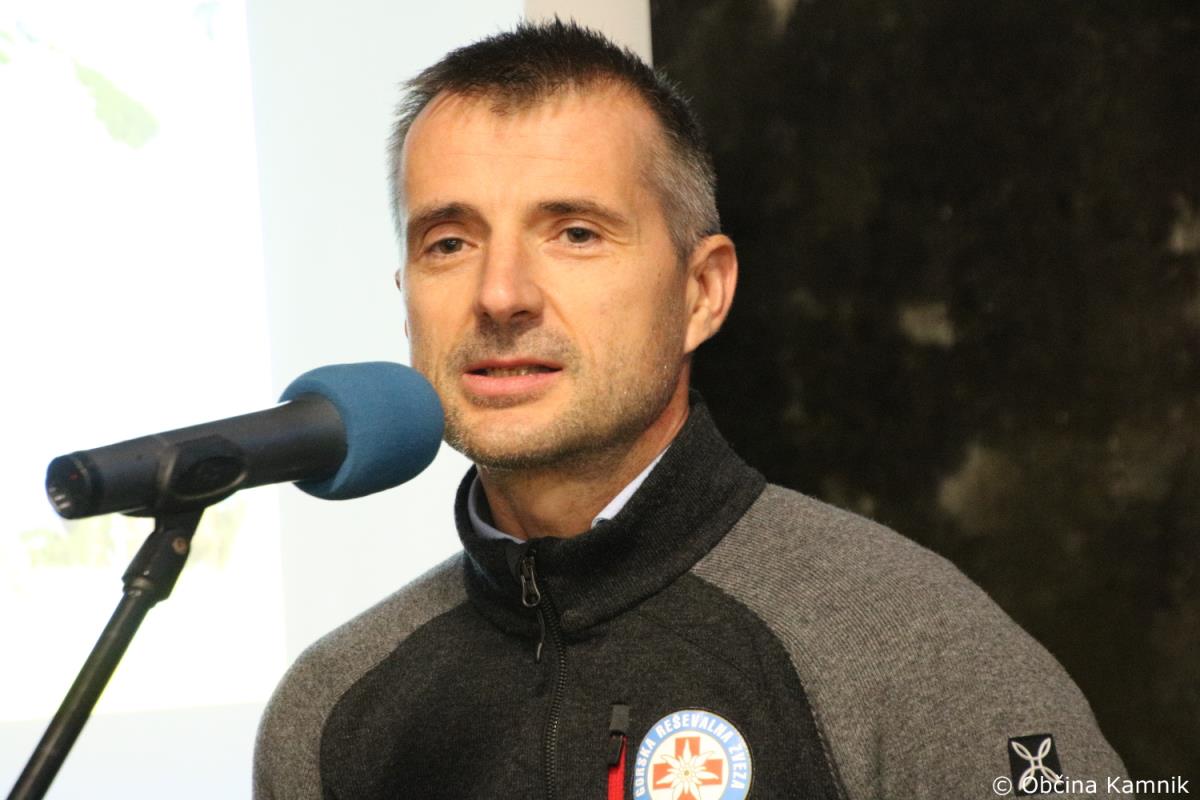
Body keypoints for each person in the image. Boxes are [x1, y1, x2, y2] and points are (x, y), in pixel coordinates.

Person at [254, 20, 1126, 800]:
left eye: (576, 233)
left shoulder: (909, 648)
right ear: (406, 298)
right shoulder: (333, 711)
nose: (501, 295)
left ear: (701, 292)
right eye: (449, 242)